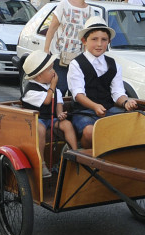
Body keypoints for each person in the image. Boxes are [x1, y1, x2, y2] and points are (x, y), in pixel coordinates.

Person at [67, 16, 138, 149]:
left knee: (132, 124)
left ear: (108, 41)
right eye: (94, 39)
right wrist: (94, 106)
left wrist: (126, 102)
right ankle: (86, 155)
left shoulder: (114, 65)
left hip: (108, 109)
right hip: (84, 111)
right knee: (90, 132)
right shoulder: (76, 64)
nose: (99, 44)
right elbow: (78, 94)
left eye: (104, 40)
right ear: (84, 41)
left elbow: (118, 93)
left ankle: (118, 156)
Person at [21, 50, 79, 178]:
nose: (54, 72)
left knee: (67, 124)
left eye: (53, 68)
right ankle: (41, 163)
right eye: (50, 70)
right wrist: (53, 85)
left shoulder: (54, 89)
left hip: (52, 119)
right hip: (38, 119)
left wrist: (60, 114)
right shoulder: (31, 90)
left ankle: (75, 153)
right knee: (40, 129)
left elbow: (58, 105)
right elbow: (47, 100)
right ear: (38, 76)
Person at [44, 0, 92, 96]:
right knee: (60, 88)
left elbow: (89, 37)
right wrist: (46, 50)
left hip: (78, 59)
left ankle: (70, 111)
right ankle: (55, 111)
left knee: (75, 91)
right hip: (59, 55)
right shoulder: (63, 5)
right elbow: (52, 28)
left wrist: (88, 57)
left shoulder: (90, 10)